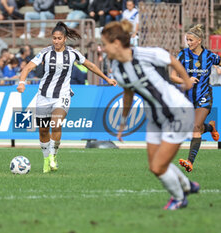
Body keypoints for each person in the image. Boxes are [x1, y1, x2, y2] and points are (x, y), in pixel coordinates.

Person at [101, 20, 199, 210]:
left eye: (105, 44)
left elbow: (171, 59)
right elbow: (128, 94)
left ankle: (179, 199)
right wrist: (122, 122)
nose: (103, 49)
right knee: (155, 165)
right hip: (155, 118)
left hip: (177, 112)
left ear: (116, 43)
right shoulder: (117, 69)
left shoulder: (144, 54)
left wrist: (186, 81)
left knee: (158, 167)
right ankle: (187, 185)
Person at [17, 21, 117, 173]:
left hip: (62, 95)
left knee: (56, 124)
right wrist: (22, 82)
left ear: (64, 39)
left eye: (59, 38)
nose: (56, 41)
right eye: (54, 38)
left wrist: (107, 78)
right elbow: (29, 66)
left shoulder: (72, 53)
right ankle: (45, 160)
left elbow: (90, 65)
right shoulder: (45, 52)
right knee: (43, 130)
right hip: (43, 96)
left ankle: (53, 156)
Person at [170, 24, 221, 173]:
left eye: (191, 40)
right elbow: (172, 76)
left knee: (195, 127)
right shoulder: (182, 55)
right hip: (187, 99)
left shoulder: (210, 56)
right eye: (187, 40)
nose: (188, 43)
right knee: (194, 127)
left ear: (199, 40)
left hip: (204, 97)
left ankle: (190, 162)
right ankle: (211, 127)